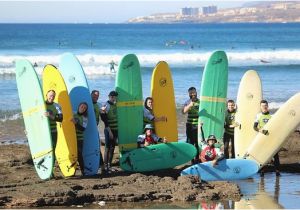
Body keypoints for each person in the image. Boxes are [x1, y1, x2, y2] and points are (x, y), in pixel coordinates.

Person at [253, 99, 280, 177]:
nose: (264, 107)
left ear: (267, 106)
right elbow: (254, 127)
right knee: (262, 154)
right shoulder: (258, 116)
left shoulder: (272, 116)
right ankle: (262, 171)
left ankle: (277, 171)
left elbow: (276, 127)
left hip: (271, 137)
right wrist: (260, 130)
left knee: (275, 154)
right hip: (262, 138)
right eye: (262, 106)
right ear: (260, 107)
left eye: (265, 106)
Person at [100, 90, 118, 174]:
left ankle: (109, 166)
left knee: (113, 147)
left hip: (115, 129)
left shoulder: (115, 105)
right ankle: (105, 166)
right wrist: (109, 130)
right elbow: (104, 119)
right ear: (109, 97)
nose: (113, 98)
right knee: (107, 147)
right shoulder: (106, 105)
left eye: (114, 97)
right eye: (111, 97)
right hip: (108, 129)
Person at [44, 90, 63, 165]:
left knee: (52, 149)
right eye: (50, 95)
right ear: (46, 95)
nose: (51, 97)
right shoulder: (41, 104)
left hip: (53, 131)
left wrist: (50, 115)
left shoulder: (57, 106)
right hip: (44, 130)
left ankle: (50, 168)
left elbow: (60, 118)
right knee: (46, 150)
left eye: (53, 96)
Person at [182, 87, 200, 164]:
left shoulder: (200, 101)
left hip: (197, 125)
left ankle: (197, 158)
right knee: (190, 142)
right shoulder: (187, 102)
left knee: (197, 142)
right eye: (191, 93)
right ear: (189, 94)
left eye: (194, 92)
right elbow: (183, 112)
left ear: (196, 92)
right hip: (189, 125)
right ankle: (191, 159)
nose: (193, 94)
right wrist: (189, 105)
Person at [71, 102, 88, 176]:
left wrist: (76, 123)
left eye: (84, 108)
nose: (83, 108)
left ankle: (83, 171)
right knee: (72, 155)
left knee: (79, 155)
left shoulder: (85, 117)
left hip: (79, 138)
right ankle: (72, 171)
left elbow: (83, 129)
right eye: (82, 106)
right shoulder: (72, 113)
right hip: (71, 138)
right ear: (79, 106)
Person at [91, 90, 105, 174]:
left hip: (94, 129)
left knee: (97, 147)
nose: (96, 97)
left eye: (97, 96)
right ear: (91, 95)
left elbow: (103, 114)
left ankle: (102, 166)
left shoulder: (99, 105)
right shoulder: (87, 103)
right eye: (94, 96)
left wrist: (104, 111)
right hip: (85, 129)